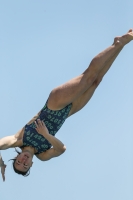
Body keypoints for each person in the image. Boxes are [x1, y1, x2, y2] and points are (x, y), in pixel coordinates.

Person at [0, 29, 133, 181]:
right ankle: (119, 45)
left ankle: (120, 42)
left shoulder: (18, 140)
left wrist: (1, 163)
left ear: (16, 158)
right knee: (96, 81)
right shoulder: (42, 155)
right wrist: (45, 135)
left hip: (54, 104)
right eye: (25, 165)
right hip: (69, 111)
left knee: (88, 78)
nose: (23, 161)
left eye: (18, 162)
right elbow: (61, 149)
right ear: (31, 165)